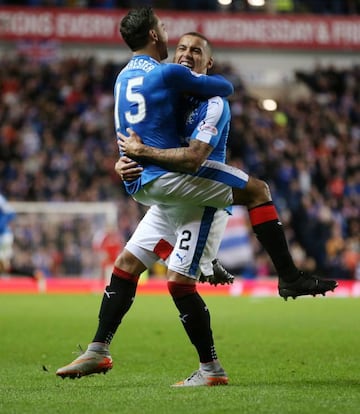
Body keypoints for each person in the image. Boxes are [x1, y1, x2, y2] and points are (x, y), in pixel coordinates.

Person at [56, 12, 236, 386]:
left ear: (207, 61)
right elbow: (141, 133)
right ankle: (98, 350)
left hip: (193, 193)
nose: (184, 53)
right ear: (157, 37)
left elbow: (177, 144)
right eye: (179, 45)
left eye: (195, 51)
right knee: (125, 263)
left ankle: (212, 369)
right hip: (168, 192)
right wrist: (125, 160)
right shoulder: (166, 84)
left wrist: (135, 157)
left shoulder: (185, 90)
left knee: (177, 283)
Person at [0, 193, 45, 285]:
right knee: (5, 268)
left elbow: (11, 213)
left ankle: (35, 274)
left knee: (4, 267)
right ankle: (34, 274)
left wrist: (1, 225)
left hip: (3, 236)